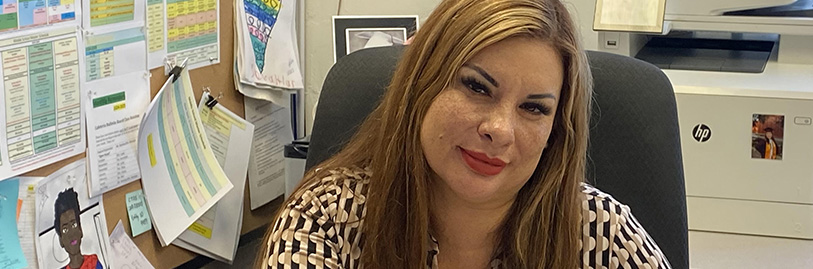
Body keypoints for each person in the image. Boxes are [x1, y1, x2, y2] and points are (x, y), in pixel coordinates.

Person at [261, 0, 669, 268]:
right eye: (477, 87)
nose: (499, 130)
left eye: (533, 108)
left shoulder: (600, 230)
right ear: (423, 84)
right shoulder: (327, 219)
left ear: (555, 131)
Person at [54, 189, 103, 269]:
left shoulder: (93, 263)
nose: (71, 233)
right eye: (65, 230)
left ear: (80, 229)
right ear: (61, 240)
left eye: (74, 225)